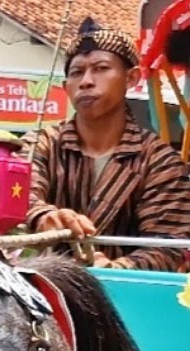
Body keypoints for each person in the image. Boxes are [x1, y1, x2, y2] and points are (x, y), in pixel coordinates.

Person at [25, 17, 190, 272]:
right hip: (44, 291)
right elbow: (20, 191)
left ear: (131, 78)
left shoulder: (160, 161)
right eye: (76, 72)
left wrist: (113, 269)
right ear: (65, 87)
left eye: (101, 68)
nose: (86, 81)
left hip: (125, 299)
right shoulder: (41, 143)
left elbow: (167, 246)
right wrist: (44, 216)